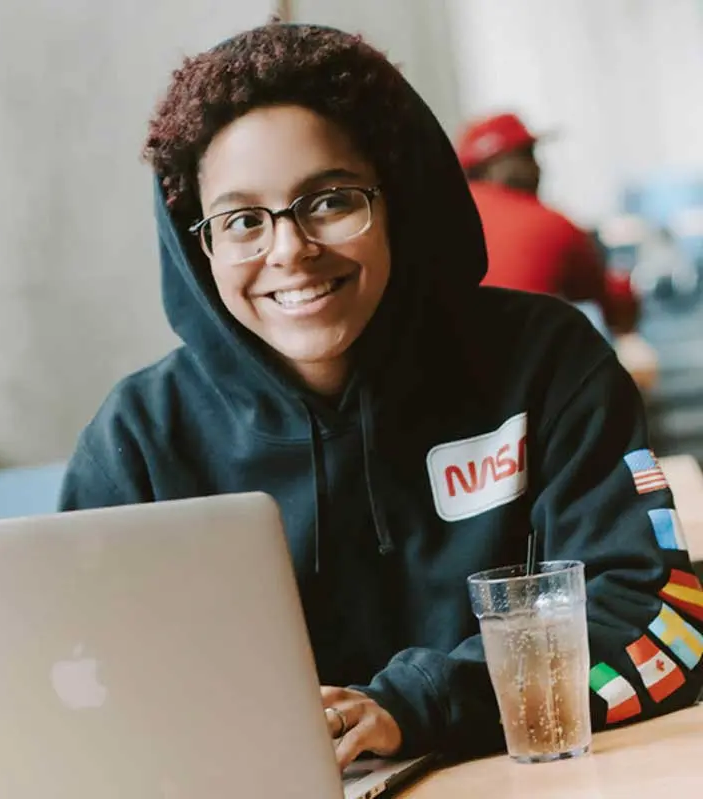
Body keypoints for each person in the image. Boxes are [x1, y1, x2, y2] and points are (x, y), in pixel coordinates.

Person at [61, 24, 703, 768]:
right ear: (197, 244)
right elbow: (78, 691)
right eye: (240, 220)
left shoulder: (544, 364)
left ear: (396, 197)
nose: (289, 250)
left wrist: (423, 703)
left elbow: (663, 625)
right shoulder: (138, 440)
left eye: (330, 201)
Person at [456, 112, 640, 333]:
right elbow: (618, 312)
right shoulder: (550, 223)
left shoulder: (439, 218)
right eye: (527, 155)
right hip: (518, 361)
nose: (538, 169)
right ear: (490, 167)